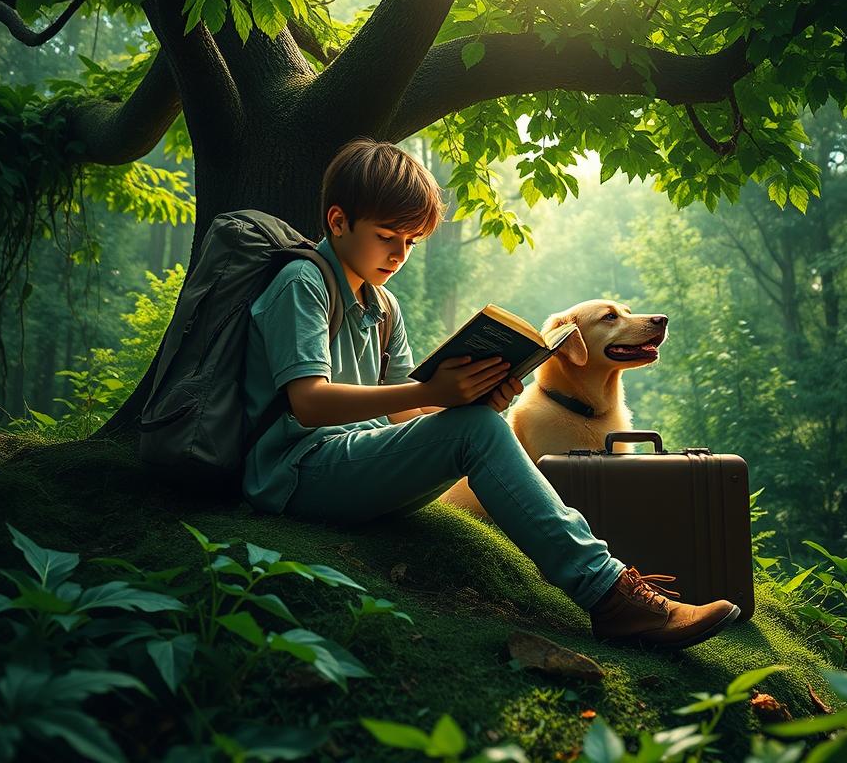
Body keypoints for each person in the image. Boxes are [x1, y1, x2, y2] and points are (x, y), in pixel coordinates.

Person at [242, 138, 741, 649]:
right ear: (338, 220)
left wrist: (470, 397)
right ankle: (611, 595)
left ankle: (610, 585)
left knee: (482, 423)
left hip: (360, 462)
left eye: (412, 242)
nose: (399, 254)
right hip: (300, 470)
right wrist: (442, 397)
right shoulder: (303, 281)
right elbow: (308, 401)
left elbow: (404, 412)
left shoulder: (384, 305)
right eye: (388, 236)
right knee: (476, 431)